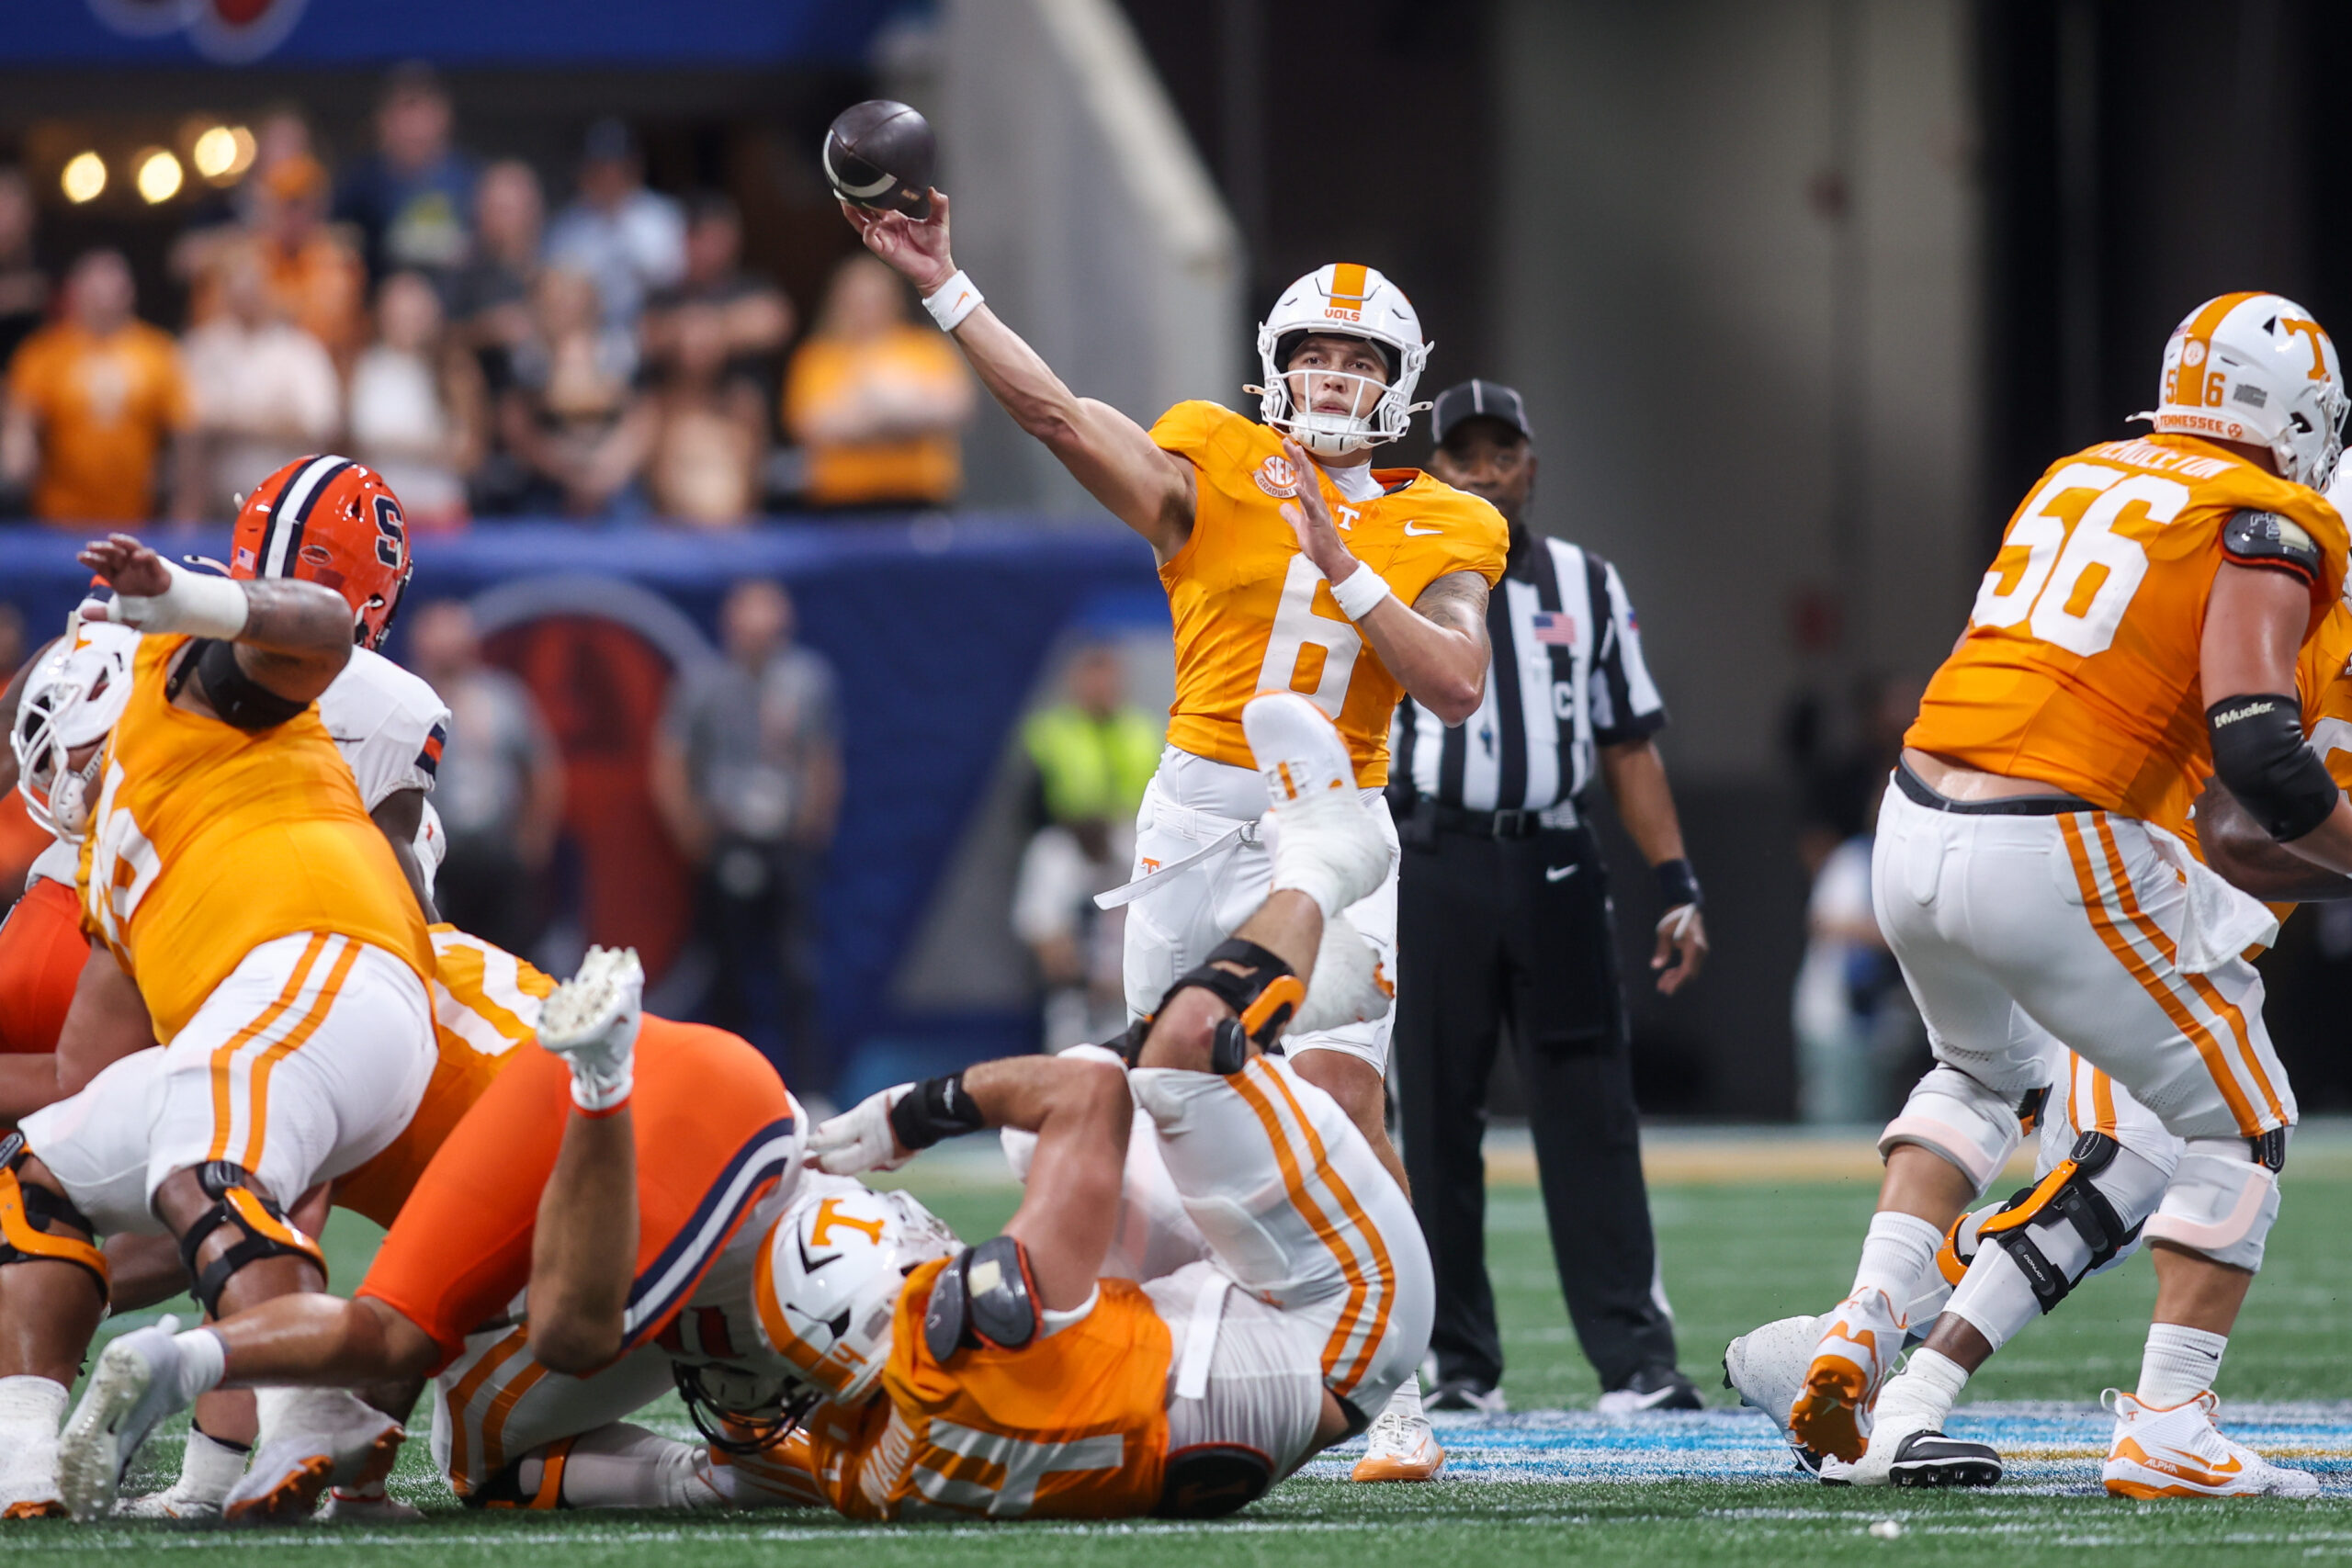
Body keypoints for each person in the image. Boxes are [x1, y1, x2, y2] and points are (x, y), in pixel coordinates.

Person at [843, 185, 1507, 1482]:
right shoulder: (1212, 450)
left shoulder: (1449, 517)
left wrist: (1347, 561)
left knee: (1339, 1093)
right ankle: (1182, 1336)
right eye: (1314, 348)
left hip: (1333, 825)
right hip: (1202, 808)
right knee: (1169, 1084)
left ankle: (1402, 1384)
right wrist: (944, 286)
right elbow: (1053, 415)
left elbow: (1456, 682)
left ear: (1398, 384)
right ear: (1276, 360)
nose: (1330, 371)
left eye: (1358, 357)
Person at [1772, 293, 2352, 1497]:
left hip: (1918, 814)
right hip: (2069, 845)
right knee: (2237, 1119)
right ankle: (2170, 1424)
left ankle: (1868, 1328)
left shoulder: (2090, 470)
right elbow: (2257, 783)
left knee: (1982, 1075)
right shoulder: (2275, 529)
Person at [0, 498, 438, 1518]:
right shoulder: (109, 865)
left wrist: (180, 599)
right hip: (278, 1028)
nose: (60, 774)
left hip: (330, 973)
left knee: (210, 1167)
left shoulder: (187, 689)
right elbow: (82, 1079)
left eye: (67, 745)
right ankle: (22, 1461)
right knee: (40, 1170)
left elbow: (325, 625)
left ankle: (301, 1416)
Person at [59, 941, 804, 1522]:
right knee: (413, 1306)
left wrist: (212, 1471)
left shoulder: (293, 1011)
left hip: (597, 1181)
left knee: (455, 1403)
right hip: (698, 1101)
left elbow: (261, 1252)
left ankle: (741, 1464)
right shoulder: (402, 938)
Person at [1390, 380, 1708, 1418]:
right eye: (1463, 452)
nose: (1482, 468)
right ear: (1434, 465)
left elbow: (1628, 744)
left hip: (1557, 862)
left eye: (1501, 450)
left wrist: (1674, 882)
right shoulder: (1383, 566)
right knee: (1434, 1115)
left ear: (1531, 463)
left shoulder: (1586, 581)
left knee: (1590, 1112)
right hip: (1429, 857)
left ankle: (1636, 1359)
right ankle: (1458, 1365)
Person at [651, 580, 840, 1093]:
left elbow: (822, 756)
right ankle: (726, 1087)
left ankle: (808, 1088)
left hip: (785, 838)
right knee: (727, 970)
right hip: (727, 835)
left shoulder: (806, 680)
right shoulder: (705, 684)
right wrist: (691, 830)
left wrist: (812, 825)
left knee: (797, 969)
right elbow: (672, 759)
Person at [1012, 641, 1163, 1053]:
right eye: (1091, 675)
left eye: (1108, 675)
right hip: (1068, 843)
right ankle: (1078, 998)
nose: (1101, 686)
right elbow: (1032, 801)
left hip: (1133, 842)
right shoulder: (1051, 732)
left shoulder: (1142, 730)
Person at [404, 599, 563, 953]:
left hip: (499, 856)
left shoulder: (503, 698)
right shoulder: (403, 699)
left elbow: (539, 771)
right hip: (431, 860)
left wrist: (533, 843)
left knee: (510, 956)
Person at [2, 251, 198, 525]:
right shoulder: (43, 353)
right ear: (75, 292)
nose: (103, 300)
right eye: (94, 290)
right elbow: (21, 420)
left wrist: (187, 503)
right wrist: (18, 450)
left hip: (137, 516)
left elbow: (185, 432)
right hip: (58, 517)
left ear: (129, 292)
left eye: (112, 289)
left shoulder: (158, 352)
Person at [781, 255, 973, 510]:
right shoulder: (817, 357)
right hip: (840, 504)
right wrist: (898, 414)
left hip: (920, 498)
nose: (866, 309)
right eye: (857, 300)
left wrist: (869, 411)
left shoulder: (926, 348)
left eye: (875, 299)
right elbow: (811, 426)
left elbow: (955, 407)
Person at [180, 255, 341, 518]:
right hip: (215, 510)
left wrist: (231, 424)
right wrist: (273, 420)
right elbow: (191, 425)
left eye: (253, 289)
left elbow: (321, 425)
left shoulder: (301, 350)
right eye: (237, 289)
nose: (246, 298)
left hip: (286, 510)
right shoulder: (202, 348)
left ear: (269, 291)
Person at [496, 266, 650, 519]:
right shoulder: (525, 359)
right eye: (553, 301)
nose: (562, 309)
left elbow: (644, 417)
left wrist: (612, 469)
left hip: (613, 485)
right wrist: (570, 474)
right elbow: (516, 428)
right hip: (546, 487)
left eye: (570, 299)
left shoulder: (620, 352)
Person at [347, 271, 487, 529]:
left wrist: (419, 447)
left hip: (438, 509)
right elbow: (346, 441)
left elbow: (471, 452)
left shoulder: (453, 370)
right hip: (377, 513)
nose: (407, 324)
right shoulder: (363, 366)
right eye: (399, 316)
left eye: (415, 317)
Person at [333, 63, 477, 283]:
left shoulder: (471, 181)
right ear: (384, 121)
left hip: (459, 303)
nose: (415, 127)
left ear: (444, 118)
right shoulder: (360, 188)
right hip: (384, 299)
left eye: (425, 113)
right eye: (405, 113)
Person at [544, 118, 684, 337]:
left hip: (654, 331)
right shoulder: (565, 227)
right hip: (589, 335)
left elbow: (676, 279)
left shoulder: (664, 217)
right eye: (599, 167)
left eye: (618, 166)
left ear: (634, 167)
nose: (609, 175)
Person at [640, 192, 793, 392]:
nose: (717, 249)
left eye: (724, 238)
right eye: (708, 238)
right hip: (674, 400)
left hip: (734, 400)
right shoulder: (664, 294)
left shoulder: (752, 286)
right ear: (687, 239)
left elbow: (776, 323)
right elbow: (647, 338)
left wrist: (710, 328)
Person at [644, 303, 767, 526]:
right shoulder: (658, 405)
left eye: (708, 342)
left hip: (733, 532)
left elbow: (754, 475)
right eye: (693, 341)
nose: (700, 350)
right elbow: (653, 475)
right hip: (673, 533)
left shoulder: (743, 403)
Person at [0, 168, 50, 374]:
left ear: (29, 215)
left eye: (11, 208)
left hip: (38, 384)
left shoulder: (47, 263)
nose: (5, 220)